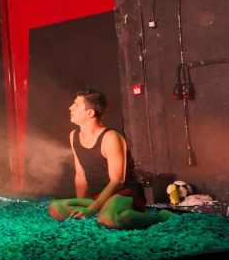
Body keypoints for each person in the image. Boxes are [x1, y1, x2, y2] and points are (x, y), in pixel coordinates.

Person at [48, 88, 171, 230]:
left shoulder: (111, 137)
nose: (70, 108)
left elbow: (117, 181)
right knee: (56, 208)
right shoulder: (73, 136)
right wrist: (82, 205)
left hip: (123, 194)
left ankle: (160, 217)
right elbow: (80, 175)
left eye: (76, 105)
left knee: (108, 220)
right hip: (97, 196)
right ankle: (106, 211)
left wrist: (91, 210)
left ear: (90, 113)